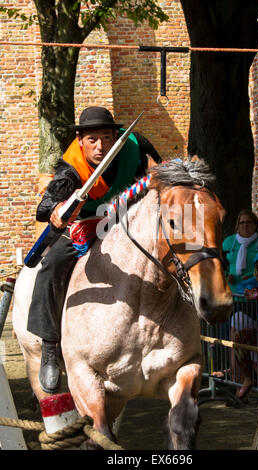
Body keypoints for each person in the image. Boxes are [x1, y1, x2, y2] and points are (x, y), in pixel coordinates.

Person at [27, 106, 162, 393]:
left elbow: (156, 168)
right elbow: (45, 208)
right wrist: (58, 211)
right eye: (92, 140)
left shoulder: (135, 145)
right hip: (84, 225)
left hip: (124, 218)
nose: (101, 146)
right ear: (81, 141)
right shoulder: (70, 169)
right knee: (51, 266)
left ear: (116, 136)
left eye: (106, 137)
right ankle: (51, 348)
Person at [230, 248, 258, 398]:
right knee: (240, 342)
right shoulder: (256, 281)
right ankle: (247, 379)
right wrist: (254, 290)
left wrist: (256, 293)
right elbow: (240, 287)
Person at [222, 209, 258, 293]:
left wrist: (252, 276)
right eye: (242, 222)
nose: (245, 225)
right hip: (231, 292)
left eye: (248, 222)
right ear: (238, 225)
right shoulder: (228, 242)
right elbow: (220, 263)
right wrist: (226, 275)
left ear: (255, 225)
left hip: (253, 291)